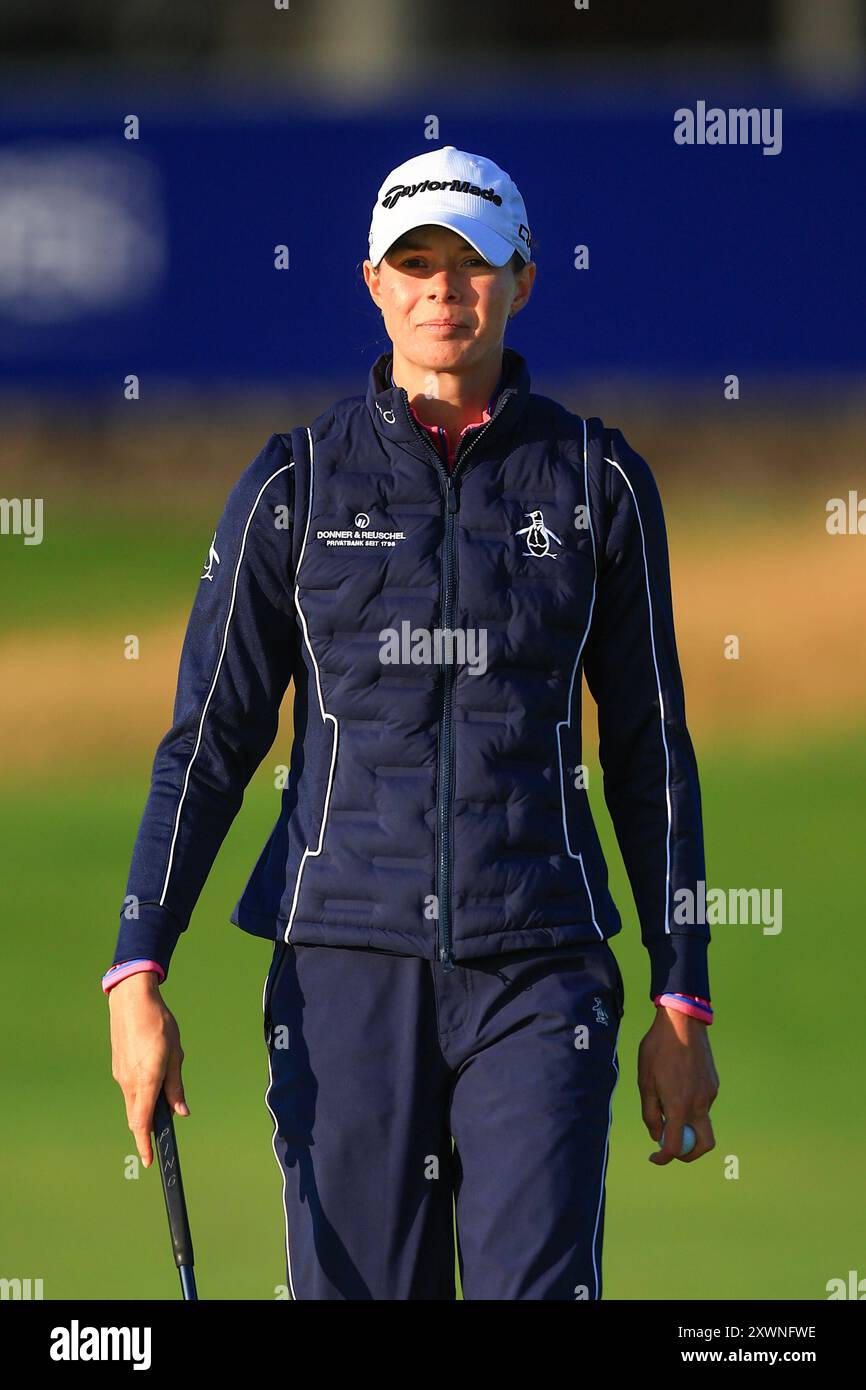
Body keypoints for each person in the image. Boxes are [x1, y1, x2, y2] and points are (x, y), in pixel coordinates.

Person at [105, 144, 719, 1301]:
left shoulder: (598, 482)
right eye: (415, 262)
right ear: (373, 284)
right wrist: (138, 969)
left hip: (538, 970)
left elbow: (652, 755)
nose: (444, 289)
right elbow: (208, 742)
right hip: (342, 973)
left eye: (474, 262)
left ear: (521, 279)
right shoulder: (293, 484)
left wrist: (679, 993)